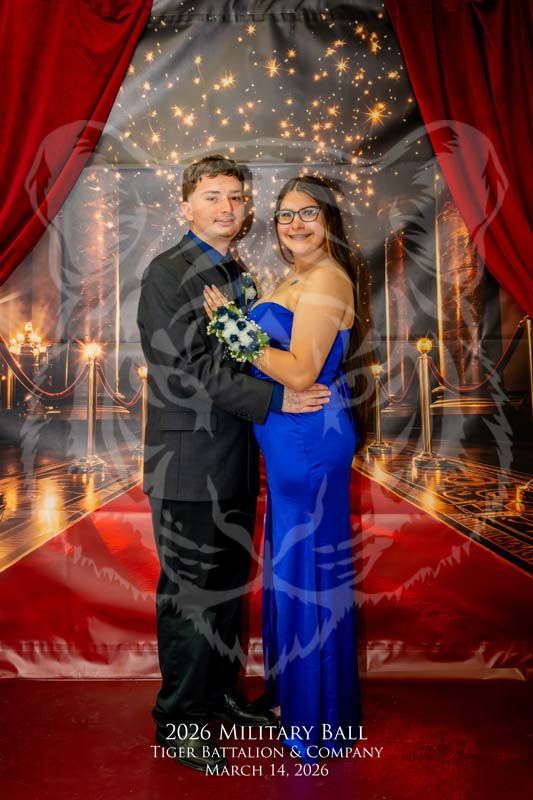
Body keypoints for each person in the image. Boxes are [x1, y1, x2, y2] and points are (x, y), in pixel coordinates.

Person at [136, 156, 332, 773]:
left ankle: (218, 697)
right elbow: (189, 369)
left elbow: (250, 353)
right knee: (191, 594)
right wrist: (280, 396)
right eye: (213, 196)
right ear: (187, 206)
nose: (227, 207)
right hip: (189, 461)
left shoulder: (237, 273)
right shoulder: (168, 272)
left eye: (237, 198)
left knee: (223, 591)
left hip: (236, 459)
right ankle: (181, 722)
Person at [203, 174, 370, 762]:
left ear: (330, 221)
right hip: (286, 436)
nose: (294, 224)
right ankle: (297, 697)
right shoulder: (297, 276)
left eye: (308, 213)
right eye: (284, 215)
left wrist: (230, 328)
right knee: (291, 560)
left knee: (307, 569)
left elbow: (300, 372)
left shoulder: (326, 278)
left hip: (308, 436)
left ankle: (318, 716)